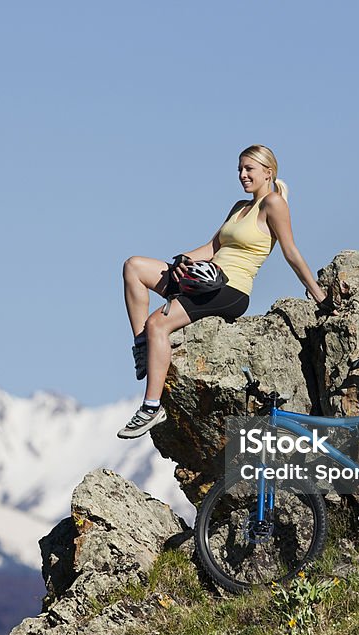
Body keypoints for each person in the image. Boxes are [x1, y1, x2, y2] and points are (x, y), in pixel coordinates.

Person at [118, 145, 329, 439]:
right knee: (134, 267)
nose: (242, 175)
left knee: (158, 323)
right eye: (240, 169)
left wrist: (317, 293)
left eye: (249, 169)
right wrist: (184, 258)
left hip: (230, 290)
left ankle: (152, 407)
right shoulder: (238, 207)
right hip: (206, 277)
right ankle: (143, 346)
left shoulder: (274, 204)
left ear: (268, 172)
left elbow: (290, 252)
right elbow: (212, 248)